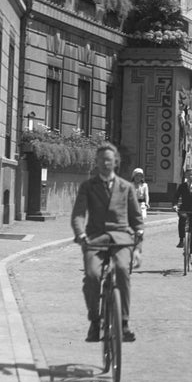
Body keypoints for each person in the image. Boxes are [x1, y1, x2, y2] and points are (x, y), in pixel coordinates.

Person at [71, 143, 143, 343]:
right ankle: (95, 322)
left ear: (115, 163)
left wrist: (137, 247)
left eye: (109, 160)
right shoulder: (88, 186)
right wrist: (80, 234)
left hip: (121, 239)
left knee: (122, 270)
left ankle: (124, 322)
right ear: (96, 163)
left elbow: (137, 220)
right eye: (101, 160)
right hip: (95, 239)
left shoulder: (126, 187)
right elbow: (78, 214)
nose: (105, 163)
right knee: (92, 276)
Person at [131, 168, 149, 270]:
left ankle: (138, 242)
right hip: (131, 205)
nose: (138, 178)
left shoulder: (144, 186)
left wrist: (146, 203)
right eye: (137, 176)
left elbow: (146, 195)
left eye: (140, 176)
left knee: (140, 227)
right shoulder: (129, 185)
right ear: (133, 176)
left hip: (141, 204)